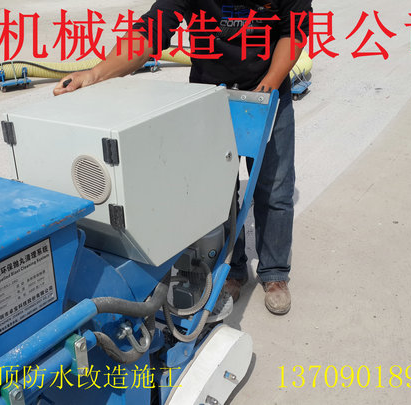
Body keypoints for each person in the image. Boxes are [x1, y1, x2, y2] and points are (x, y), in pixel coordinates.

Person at [54, 0, 312, 315]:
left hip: (269, 90)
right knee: (216, 190)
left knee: (275, 187)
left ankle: (274, 274)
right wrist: (95, 74)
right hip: (210, 94)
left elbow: (293, 31)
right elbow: (151, 29)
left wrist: (267, 87)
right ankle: (231, 269)